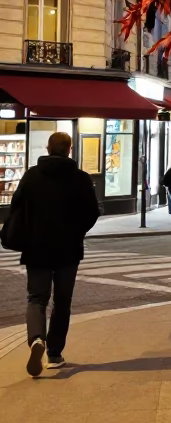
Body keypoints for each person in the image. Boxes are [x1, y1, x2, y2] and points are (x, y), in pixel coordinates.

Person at [9, 130, 101, 376]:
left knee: (36, 298)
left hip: (36, 247)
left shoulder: (32, 175)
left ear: (48, 149)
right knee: (62, 301)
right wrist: (77, 231)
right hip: (68, 249)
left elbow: (16, 205)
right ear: (69, 150)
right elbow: (92, 211)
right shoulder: (80, 178)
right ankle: (54, 353)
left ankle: (36, 339)